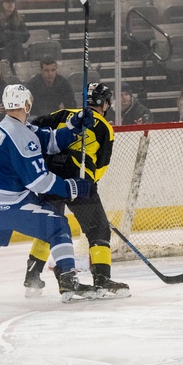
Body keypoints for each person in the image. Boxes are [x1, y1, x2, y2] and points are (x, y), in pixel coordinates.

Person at [0, 84, 98, 302]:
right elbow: (40, 182)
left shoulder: (10, 126)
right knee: (58, 226)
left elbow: (48, 140)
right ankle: (69, 280)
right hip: (11, 203)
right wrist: (73, 187)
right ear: (26, 104)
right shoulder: (21, 136)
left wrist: (73, 127)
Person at [24, 83, 129, 299]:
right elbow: (101, 165)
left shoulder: (63, 114)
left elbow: (34, 129)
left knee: (50, 227)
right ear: (105, 103)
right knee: (98, 229)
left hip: (50, 177)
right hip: (78, 180)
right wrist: (91, 187)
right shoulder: (104, 128)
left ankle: (32, 278)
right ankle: (101, 279)